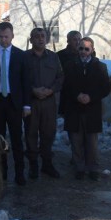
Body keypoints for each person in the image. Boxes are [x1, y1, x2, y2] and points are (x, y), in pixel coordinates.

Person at [0, 22, 31, 185]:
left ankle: (19, 172)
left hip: (14, 102)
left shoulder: (21, 56)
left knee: (16, 138)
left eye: (6, 37)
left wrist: (26, 105)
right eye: (0, 37)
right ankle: (1, 172)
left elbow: (26, 82)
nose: (3, 40)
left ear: (12, 36)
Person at [61, 37, 111, 181]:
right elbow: (66, 86)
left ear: (92, 50)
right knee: (76, 141)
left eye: (86, 49)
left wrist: (91, 97)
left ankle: (93, 168)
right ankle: (79, 167)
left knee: (92, 142)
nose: (83, 51)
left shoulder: (100, 66)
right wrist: (77, 95)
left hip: (92, 109)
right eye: (81, 48)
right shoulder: (70, 65)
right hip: (74, 108)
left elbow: (105, 88)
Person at [23, 27, 64, 179]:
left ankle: (47, 164)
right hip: (31, 101)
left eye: (43, 36)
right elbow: (20, 79)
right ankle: (33, 165)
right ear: (31, 39)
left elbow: (60, 77)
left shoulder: (54, 57)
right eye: (37, 36)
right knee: (31, 133)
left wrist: (50, 90)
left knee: (48, 134)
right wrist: (33, 90)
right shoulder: (24, 57)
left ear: (46, 39)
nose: (40, 39)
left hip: (49, 102)